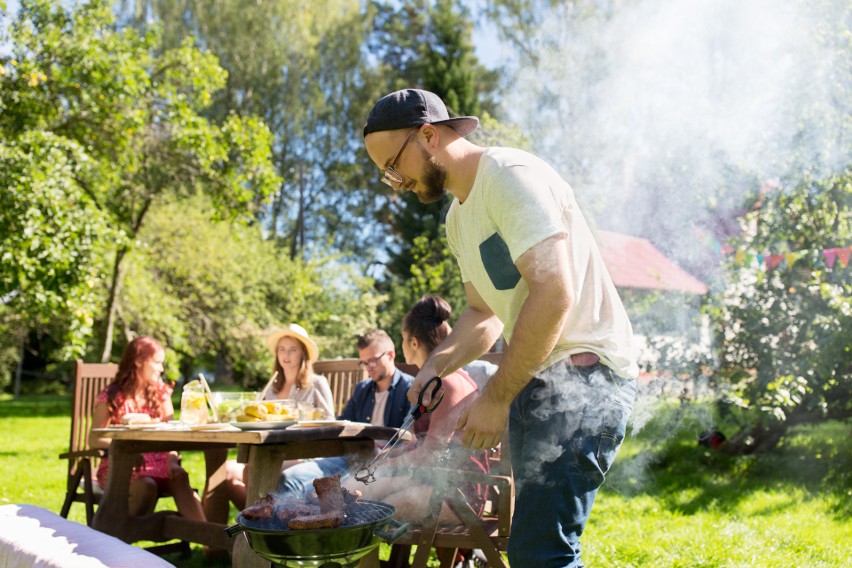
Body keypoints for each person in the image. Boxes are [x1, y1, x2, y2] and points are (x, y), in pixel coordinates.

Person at [363, 88, 639, 567]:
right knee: (536, 550)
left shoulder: (510, 177)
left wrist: (493, 398)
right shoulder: (458, 218)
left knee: (541, 554)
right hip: (536, 377)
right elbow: (482, 314)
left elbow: (554, 292)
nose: (394, 183)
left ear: (427, 135)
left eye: (392, 165)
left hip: (585, 378)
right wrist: (437, 364)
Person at [343, 295, 485, 527]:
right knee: (352, 492)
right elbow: (422, 445)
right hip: (436, 482)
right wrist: (388, 458)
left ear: (414, 343)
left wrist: (386, 466)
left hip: (457, 496)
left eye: (402, 339)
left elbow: (431, 453)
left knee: (368, 509)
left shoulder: (446, 383)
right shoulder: (441, 380)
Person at [202, 323, 333, 523]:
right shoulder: (271, 388)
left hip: (304, 454)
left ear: (303, 354)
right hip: (268, 451)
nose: (286, 355)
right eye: (282, 349)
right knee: (223, 471)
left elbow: (329, 424)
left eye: (292, 349)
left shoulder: (316, 384)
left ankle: (259, 525)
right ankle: (215, 544)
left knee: (250, 470)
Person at [277, 329, 414, 497]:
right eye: (363, 362)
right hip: (350, 458)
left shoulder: (410, 389)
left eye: (373, 360)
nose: (368, 367)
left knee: (309, 491)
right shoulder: (362, 389)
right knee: (289, 479)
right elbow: (342, 424)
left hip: (384, 464)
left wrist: (385, 455)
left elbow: (412, 439)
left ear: (391, 355)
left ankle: (303, 520)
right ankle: (282, 521)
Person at [88, 336, 205, 522]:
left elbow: (171, 435)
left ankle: (210, 544)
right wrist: (126, 449)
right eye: (157, 363)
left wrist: (173, 460)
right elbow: (94, 439)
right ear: (138, 361)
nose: (161, 368)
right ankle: (116, 532)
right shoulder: (112, 396)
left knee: (180, 476)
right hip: (123, 464)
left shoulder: (161, 394)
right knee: (147, 485)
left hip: (159, 462)